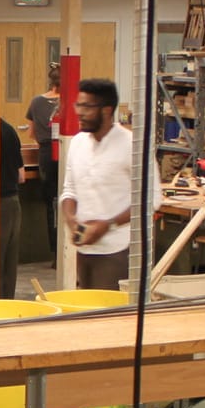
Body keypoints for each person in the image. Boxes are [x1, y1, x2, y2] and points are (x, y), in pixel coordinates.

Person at [60, 78, 154, 293]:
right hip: (85, 251)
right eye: (78, 105)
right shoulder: (77, 143)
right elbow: (69, 190)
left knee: (111, 317)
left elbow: (150, 199)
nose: (79, 112)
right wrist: (71, 219)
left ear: (106, 110)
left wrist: (108, 225)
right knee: (88, 316)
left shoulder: (133, 145)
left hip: (119, 250)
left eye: (87, 106)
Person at [25, 65, 62, 252]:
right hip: (67, 154)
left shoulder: (35, 102)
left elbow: (31, 133)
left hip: (46, 155)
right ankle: (67, 253)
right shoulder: (71, 102)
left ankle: (54, 252)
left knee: (51, 204)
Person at [0, 117, 23, 299]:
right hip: (12, 203)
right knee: (8, 267)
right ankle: (7, 312)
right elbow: (21, 176)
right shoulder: (9, 130)